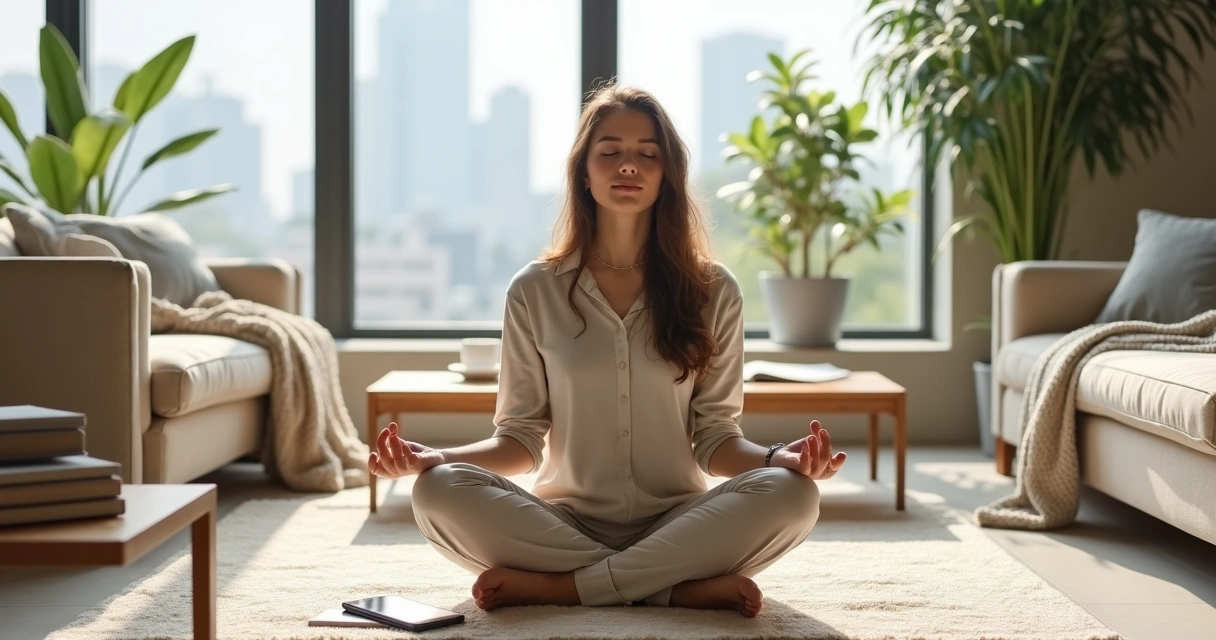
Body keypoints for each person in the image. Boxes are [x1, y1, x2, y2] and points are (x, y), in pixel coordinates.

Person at [368, 84, 847, 618]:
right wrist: (438, 458)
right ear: (583, 171)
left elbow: (715, 440)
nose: (628, 166)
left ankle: (565, 587)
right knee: (438, 490)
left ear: (668, 174)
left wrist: (780, 460)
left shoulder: (714, 290)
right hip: (561, 523)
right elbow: (521, 441)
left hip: (681, 520)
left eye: (647, 153)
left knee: (796, 494)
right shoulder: (535, 289)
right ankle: (670, 588)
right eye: (610, 151)